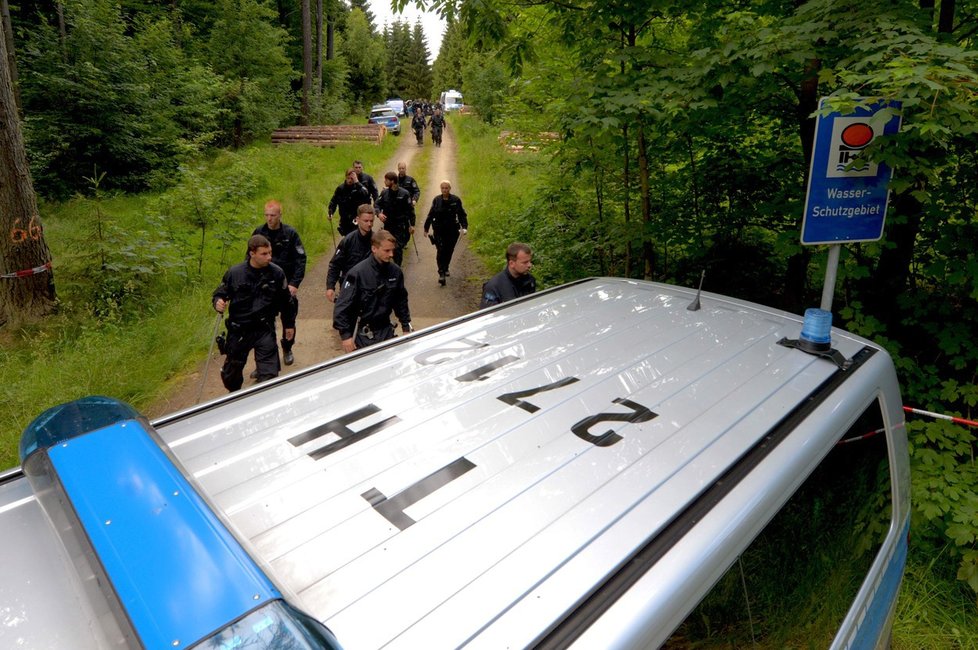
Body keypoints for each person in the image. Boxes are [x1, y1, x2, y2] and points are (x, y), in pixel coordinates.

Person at [213, 235, 294, 391]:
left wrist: (289, 325)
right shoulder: (235, 273)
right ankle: (236, 398)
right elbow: (220, 293)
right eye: (264, 254)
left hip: (264, 328)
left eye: (270, 253)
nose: (269, 257)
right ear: (252, 253)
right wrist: (218, 302)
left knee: (269, 376)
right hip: (239, 331)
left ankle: (264, 404)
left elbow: (286, 302)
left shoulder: (277, 273)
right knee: (231, 378)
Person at [333, 230, 412, 353]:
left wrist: (406, 326)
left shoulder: (396, 272)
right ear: (374, 249)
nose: (391, 254)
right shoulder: (357, 274)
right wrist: (345, 336)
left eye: (392, 250)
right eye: (387, 251)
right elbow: (342, 307)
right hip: (362, 333)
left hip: (386, 330)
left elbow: (400, 301)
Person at [251, 200, 306, 366]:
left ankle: (287, 348)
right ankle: (267, 359)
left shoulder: (290, 234)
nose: (269, 219)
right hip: (264, 289)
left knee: (289, 320)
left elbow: (300, 260)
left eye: (273, 215)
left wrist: (295, 284)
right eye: (266, 215)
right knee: (264, 325)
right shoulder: (258, 233)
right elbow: (250, 259)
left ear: (280, 215)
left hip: (285, 286)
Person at [326, 204, 375, 303]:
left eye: (371, 221)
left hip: (370, 289)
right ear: (357, 219)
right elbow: (335, 264)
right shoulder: (347, 241)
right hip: (349, 287)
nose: (369, 224)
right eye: (366, 221)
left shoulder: (377, 241)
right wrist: (330, 287)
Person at [423, 180, 468, 286]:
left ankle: (446, 266)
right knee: (440, 250)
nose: (444, 190)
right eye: (442, 188)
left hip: (452, 230)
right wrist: (426, 228)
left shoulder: (456, 200)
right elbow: (430, 214)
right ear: (440, 189)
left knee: (449, 250)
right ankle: (441, 273)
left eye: (446, 188)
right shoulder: (437, 200)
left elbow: (461, 214)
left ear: (450, 189)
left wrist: (464, 226)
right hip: (439, 230)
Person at [375, 171, 415, 267]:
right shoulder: (384, 193)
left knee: (397, 248)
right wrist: (379, 214)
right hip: (388, 226)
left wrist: (412, 225)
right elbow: (376, 204)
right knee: (387, 246)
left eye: (386, 180)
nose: (384, 182)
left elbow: (411, 211)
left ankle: (397, 268)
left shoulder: (405, 193)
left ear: (392, 181)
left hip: (401, 226)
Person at [479, 242, 537, 308]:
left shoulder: (530, 281)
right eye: (525, 262)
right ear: (512, 263)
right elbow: (488, 316)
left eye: (530, 261)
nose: (530, 265)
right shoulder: (493, 287)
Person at [328, 168, 371, 236]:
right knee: (348, 241)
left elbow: (366, 193)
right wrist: (331, 212)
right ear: (346, 177)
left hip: (356, 220)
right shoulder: (340, 189)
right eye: (348, 178)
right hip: (345, 221)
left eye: (352, 178)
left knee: (357, 239)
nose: (350, 180)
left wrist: (357, 181)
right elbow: (334, 201)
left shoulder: (359, 188)